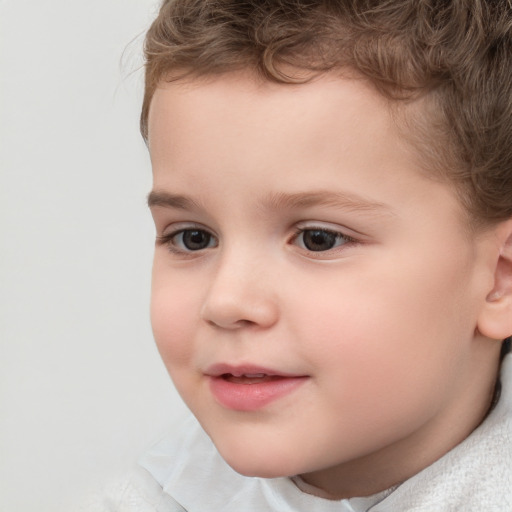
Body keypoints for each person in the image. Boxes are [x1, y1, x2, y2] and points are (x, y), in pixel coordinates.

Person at [95, 0, 512, 510]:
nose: (226, 302)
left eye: (319, 239)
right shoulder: (151, 495)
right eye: (193, 238)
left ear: (500, 277)